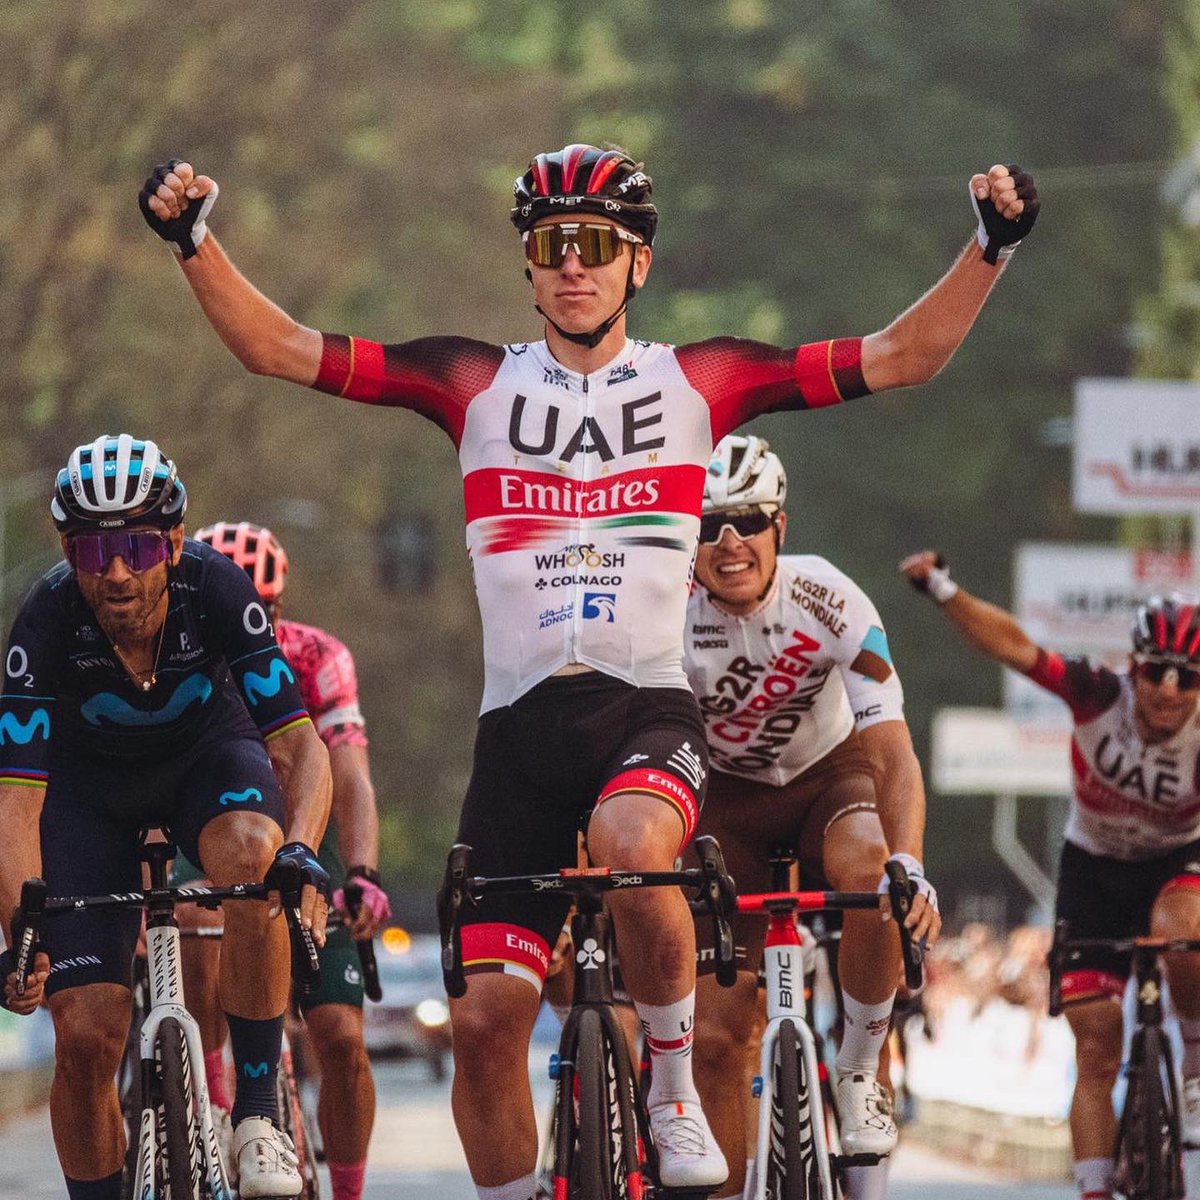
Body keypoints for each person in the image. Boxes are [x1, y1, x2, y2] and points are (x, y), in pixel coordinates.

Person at [138, 144, 1037, 1197]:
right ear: (529, 262)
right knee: (484, 1025)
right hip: (516, 735)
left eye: (598, 245)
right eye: (553, 243)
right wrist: (193, 241)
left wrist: (991, 246)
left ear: (637, 263)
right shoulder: (472, 381)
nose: (574, 263)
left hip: (643, 712)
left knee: (633, 846)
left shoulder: (701, 380)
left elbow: (901, 355)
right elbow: (280, 348)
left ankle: (671, 1089)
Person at [0, 436, 333, 1200]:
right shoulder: (46, 619)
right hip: (88, 800)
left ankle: (257, 1112)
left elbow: (301, 749)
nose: (117, 572)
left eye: (138, 547)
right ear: (69, 553)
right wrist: (22, 931)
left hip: (206, 765)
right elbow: (16, 802)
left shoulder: (216, 588)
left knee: (256, 855)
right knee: (86, 1038)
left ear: (174, 544)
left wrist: (303, 851)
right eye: (94, 551)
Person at [684, 435, 940, 1200]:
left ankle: (859, 1067)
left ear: (780, 527)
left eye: (748, 521)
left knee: (872, 869)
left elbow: (892, 751)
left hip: (830, 777)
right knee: (718, 1039)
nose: (729, 543)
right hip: (724, 801)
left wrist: (910, 862)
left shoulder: (829, 597)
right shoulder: (663, 613)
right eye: (708, 526)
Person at [901, 551, 1200, 1200]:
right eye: (1157, 672)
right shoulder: (1099, 693)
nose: (1170, 690)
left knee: (1183, 926)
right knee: (1095, 1045)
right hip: (1094, 871)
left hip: (1173, 865)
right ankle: (1093, 1189)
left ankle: (1196, 1065)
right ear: (1134, 668)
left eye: (1188, 678)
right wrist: (944, 589)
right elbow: (1018, 647)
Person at [179, 520, 390, 1200]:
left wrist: (362, 873)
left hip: (300, 825)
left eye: (263, 609)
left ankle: (349, 1191)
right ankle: (217, 1101)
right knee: (194, 926)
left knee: (341, 1039)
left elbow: (349, 776)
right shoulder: (177, 657)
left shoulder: (317, 656)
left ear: (278, 604)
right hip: (206, 826)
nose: (250, 622)